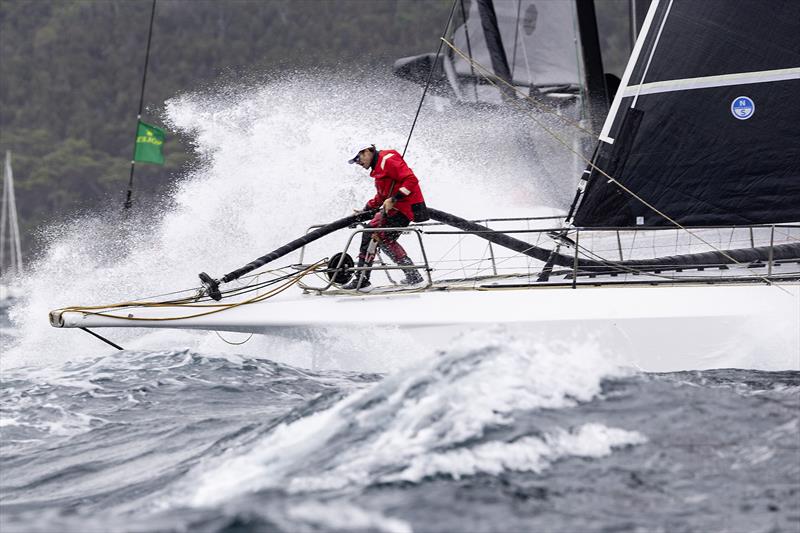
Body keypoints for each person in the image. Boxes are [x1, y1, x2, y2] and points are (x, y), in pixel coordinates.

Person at [344, 144, 428, 291]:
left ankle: (362, 280)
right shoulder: (378, 169)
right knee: (384, 239)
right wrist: (363, 212)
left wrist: (394, 199)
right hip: (394, 210)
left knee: (372, 234)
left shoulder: (387, 160)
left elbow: (412, 180)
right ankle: (413, 275)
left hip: (405, 208)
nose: (358, 163)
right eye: (355, 161)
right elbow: (381, 196)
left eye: (358, 158)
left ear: (367, 151)